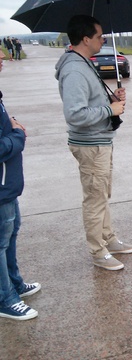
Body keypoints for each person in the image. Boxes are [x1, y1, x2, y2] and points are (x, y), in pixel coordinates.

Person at [55, 15, 132, 271]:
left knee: (102, 195)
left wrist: (112, 98)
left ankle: (108, 238)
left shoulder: (83, 63)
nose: (103, 40)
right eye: (100, 36)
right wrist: (109, 111)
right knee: (94, 198)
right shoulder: (74, 69)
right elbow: (75, 114)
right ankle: (97, 251)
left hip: (100, 141)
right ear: (86, 38)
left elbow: (90, 101)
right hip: (90, 144)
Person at [0, 50, 40, 321]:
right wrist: (18, 134)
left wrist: (11, 124)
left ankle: (14, 284)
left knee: (12, 234)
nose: (2, 59)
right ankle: (5, 299)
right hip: (1, 188)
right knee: (1, 243)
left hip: (8, 185)